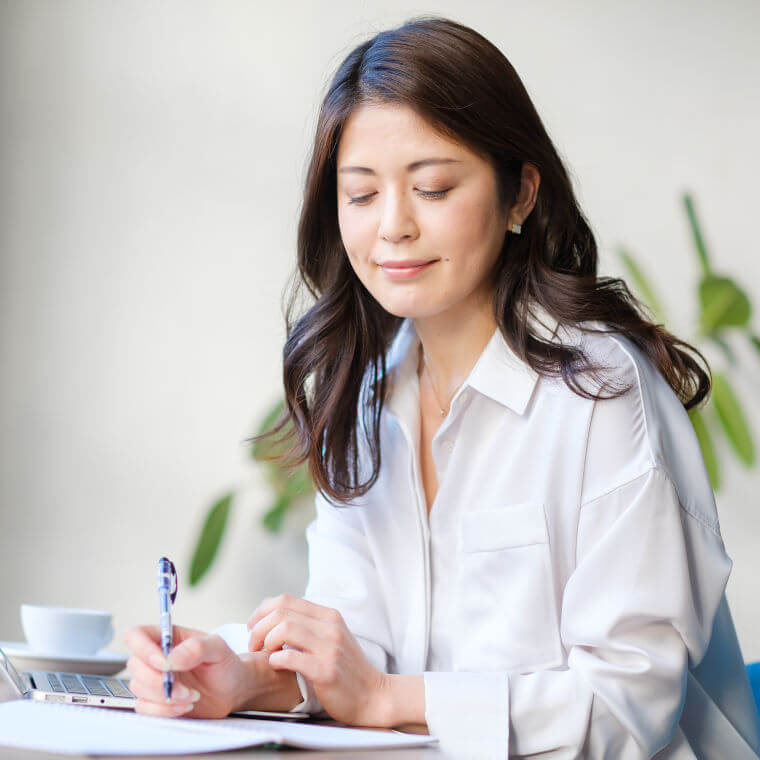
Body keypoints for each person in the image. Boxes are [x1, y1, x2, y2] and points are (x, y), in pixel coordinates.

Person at [123, 15, 760, 758]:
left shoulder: (602, 393)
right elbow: (359, 647)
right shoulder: (364, 400)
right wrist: (239, 676)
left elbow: (627, 709)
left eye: (431, 187)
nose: (392, 227)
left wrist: (387, 699)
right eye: (360, 195)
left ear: (520, 194)